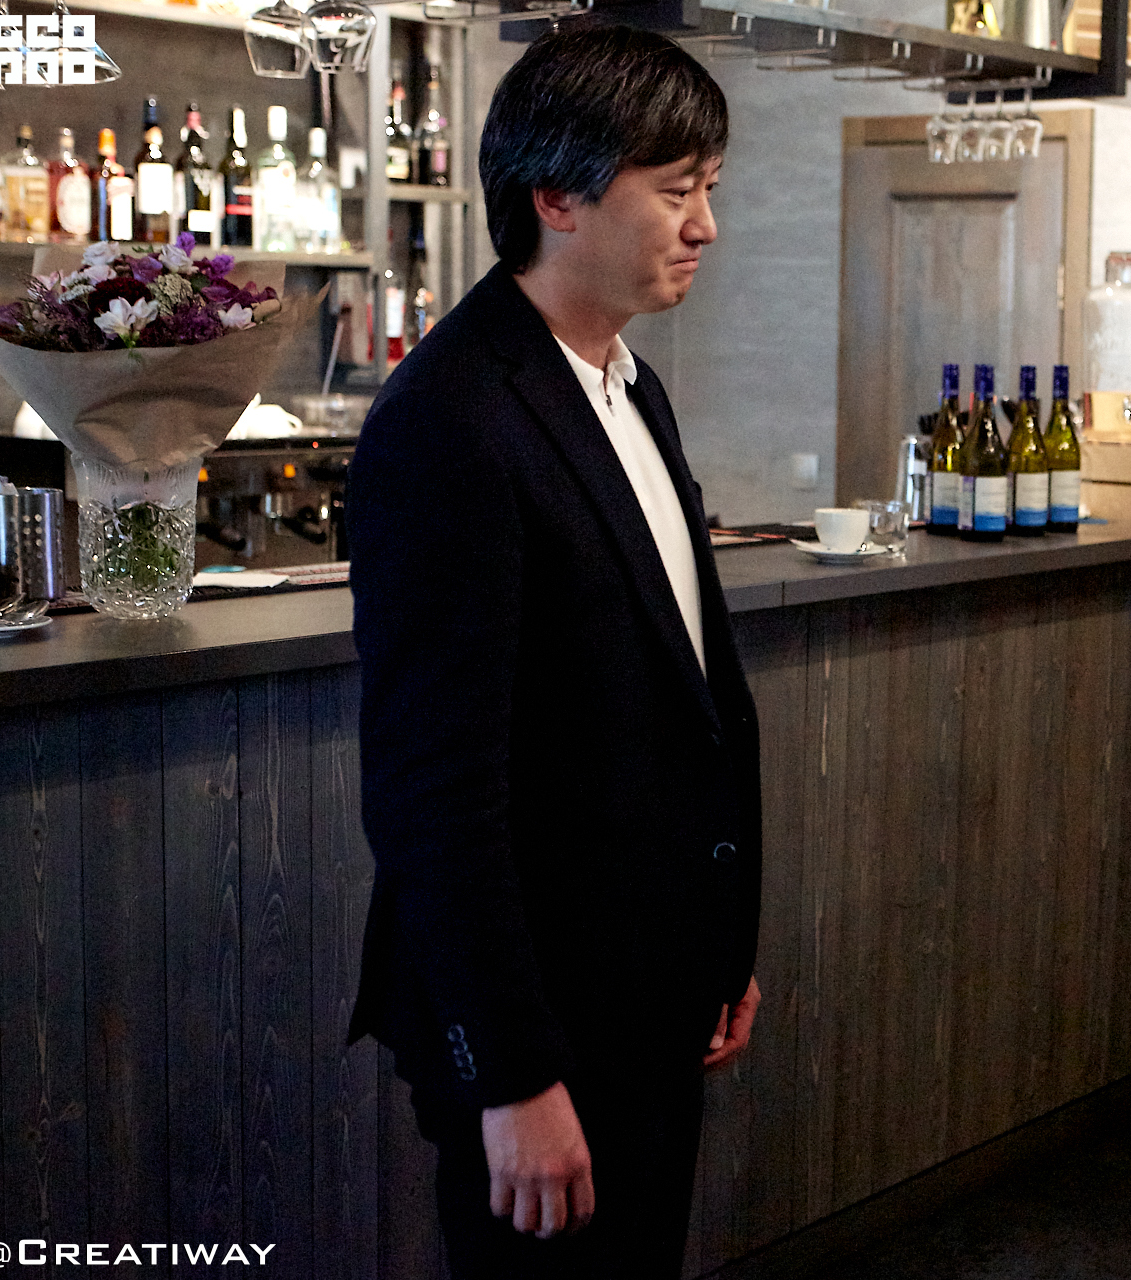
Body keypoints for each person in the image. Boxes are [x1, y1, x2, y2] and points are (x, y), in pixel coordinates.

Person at [347, 24, 762, 1279]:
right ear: (556, 196)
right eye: (676, 190)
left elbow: (692, 693)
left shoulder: (629, 382)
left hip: (652, 981)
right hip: (542, 1015)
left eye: (709, 189)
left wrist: (723, 939)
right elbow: (433, 790)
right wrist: (514, 1074)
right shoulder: (449, 417)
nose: (704, 226)